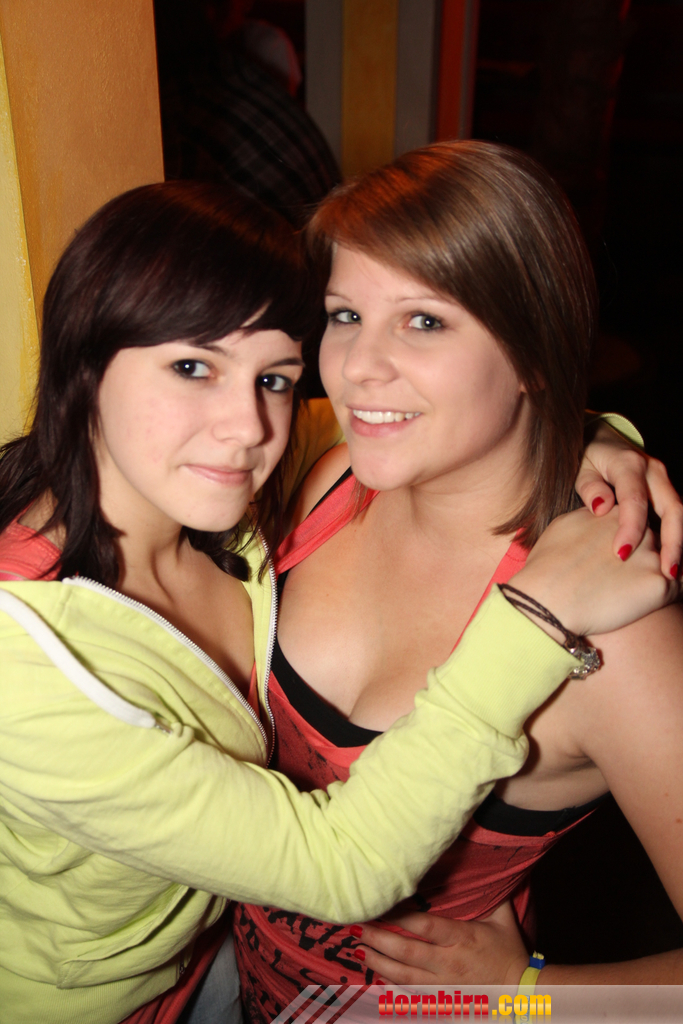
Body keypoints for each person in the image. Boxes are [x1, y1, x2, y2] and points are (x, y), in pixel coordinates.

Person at [230, 141, 683, 1019]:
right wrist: (598, 432)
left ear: (533, 348)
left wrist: (526, 996)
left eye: (424, 321)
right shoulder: (334, 479)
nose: (357, 367)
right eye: (345, 314)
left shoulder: (613, 633)